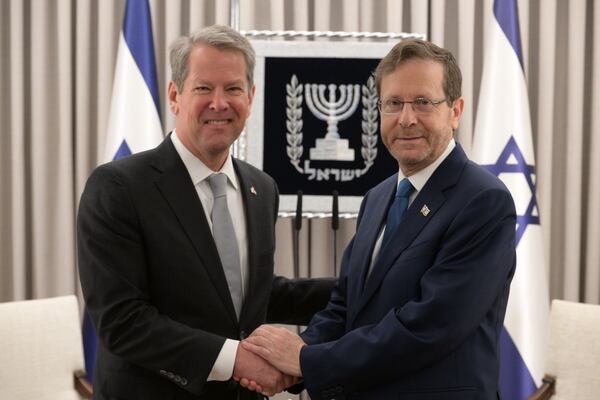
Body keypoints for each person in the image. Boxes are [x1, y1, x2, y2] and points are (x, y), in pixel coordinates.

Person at [241, 39, 517, 399]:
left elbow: (431, 326)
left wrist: (307, 360)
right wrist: (295, 358)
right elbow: (346, 303)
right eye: (393, 103)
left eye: (423, 102)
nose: (406, 118)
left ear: (455, 110)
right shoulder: (379, 196)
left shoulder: (483, 200)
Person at [77, 25, 334, 400]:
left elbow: (246, 293)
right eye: (203, 88)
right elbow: (123, 322)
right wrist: (237, 359)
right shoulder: (118, 187)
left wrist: (360, 290)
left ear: (251, 97)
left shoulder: (261, 188)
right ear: (174, 95)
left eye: (232, 89)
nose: (219, 103)